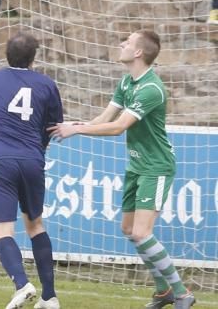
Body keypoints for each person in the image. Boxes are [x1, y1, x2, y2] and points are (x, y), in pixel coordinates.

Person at [49, 31, 196, 309]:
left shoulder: (151, 88)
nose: (122, 44)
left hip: (156, 167)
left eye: (127, 42)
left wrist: (76, 130)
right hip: (136, 165)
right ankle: (163, 291)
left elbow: (117, 127)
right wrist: (76, 126)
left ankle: (182, 292)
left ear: (139, 53)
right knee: (129, 229)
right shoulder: (127, 81)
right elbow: (104, 118)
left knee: (142, 232)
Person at [0, 33, 63, 309]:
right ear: (33, 58)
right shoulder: (47, 84)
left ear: (6, 55)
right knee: (35, 225)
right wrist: (37, 151)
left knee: (3, 229)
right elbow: (53, 126)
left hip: (1, 160)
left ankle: (21, 284)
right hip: (32, 160)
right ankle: (50, 297)